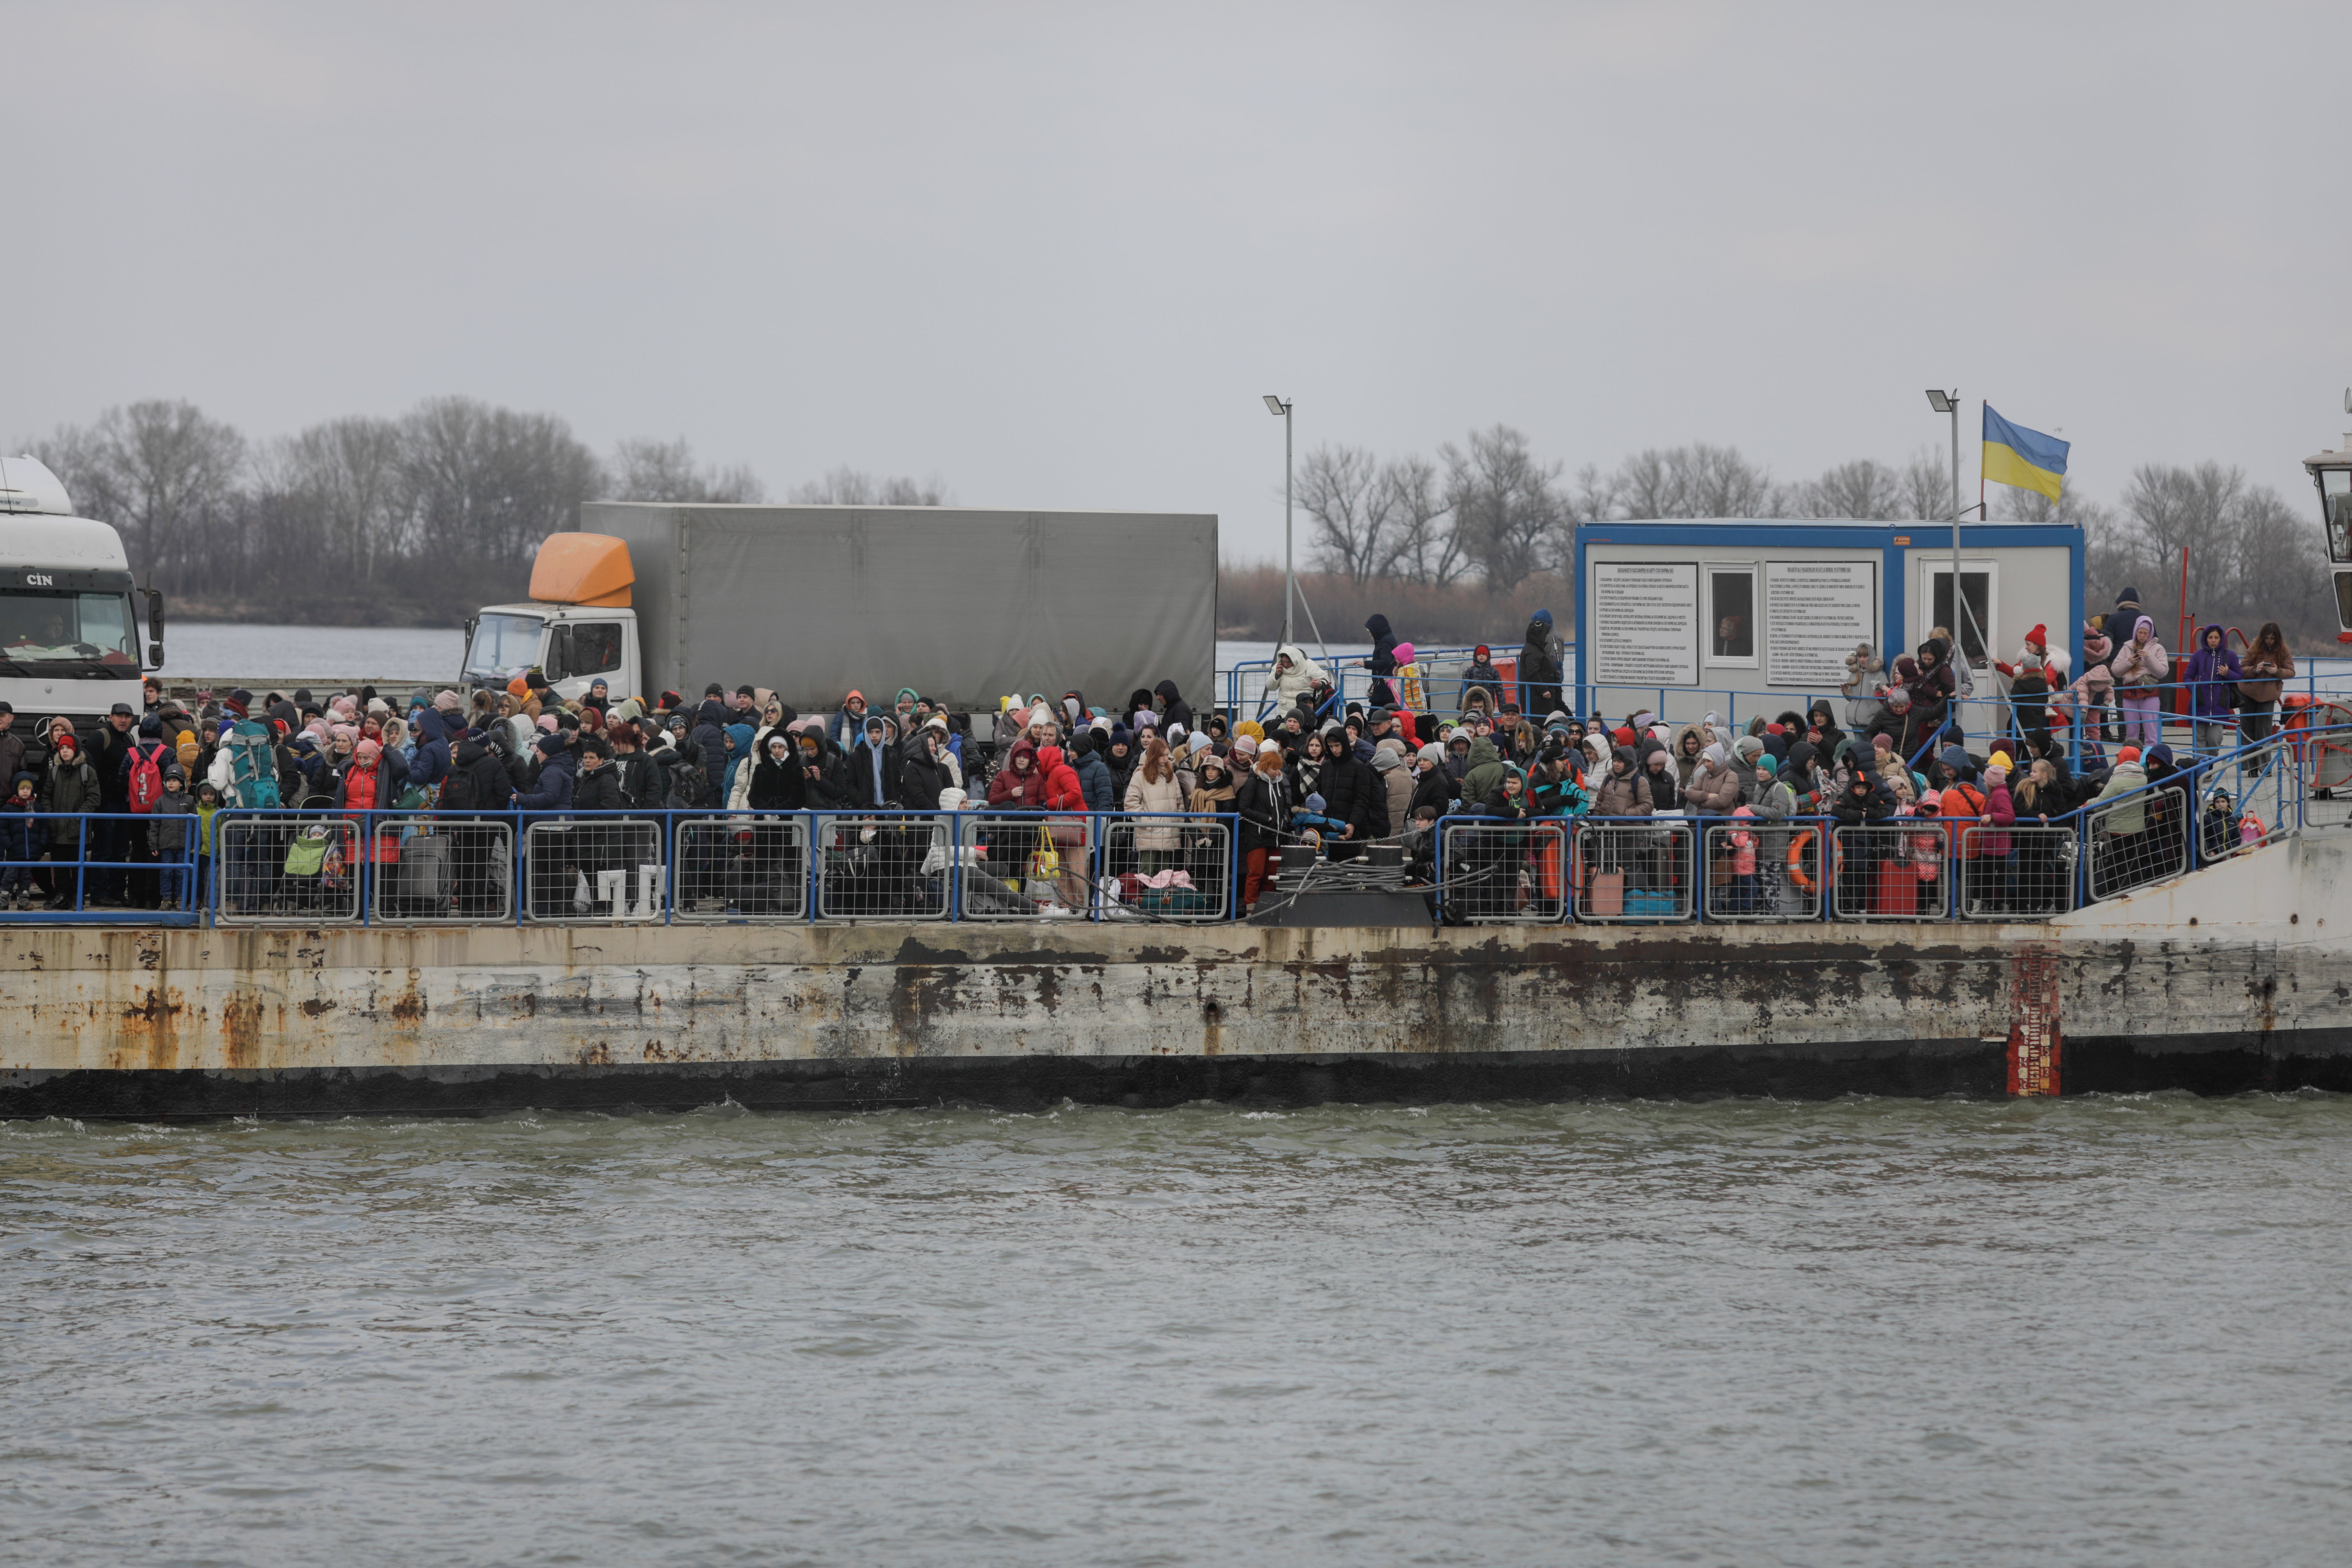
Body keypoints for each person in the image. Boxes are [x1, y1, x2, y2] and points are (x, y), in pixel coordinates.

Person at [2110, 616, 2169, 749]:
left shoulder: (2158, 649)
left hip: (2150, 692)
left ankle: (2151, 762)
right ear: (2136, 632)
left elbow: (2163, 672)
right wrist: (2129, 661)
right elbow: (2116, 671)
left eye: (2146, 633)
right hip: (2130, 691)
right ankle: (2131, 759)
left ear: (2151, 634)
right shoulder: (2127, 648)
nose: (2142, 636)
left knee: (2151, 732)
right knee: (2131, 732)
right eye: (2140, 632)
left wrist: (2148, 657)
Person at [2181, 624, 2241, 756]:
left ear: (2222, 639)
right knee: (2199, 741)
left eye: (2216, 638)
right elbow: (2188, 677)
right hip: (2199, 704)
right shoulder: (2198, 655)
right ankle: (2201, 771)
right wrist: (2194, 690)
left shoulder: (2230, 655)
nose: (2213, 640)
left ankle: (2210, 766)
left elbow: (2239, 676)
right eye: (2210, 637)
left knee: (2215, 740)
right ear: (2206, 639)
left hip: (2220, 706)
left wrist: (2227, 673)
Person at [2236, 622, 2294, 743]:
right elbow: (2241, 669)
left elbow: (2291, 672)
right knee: (2247, 732)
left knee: (2264, 733)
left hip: (2268, 697)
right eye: (2267, 638)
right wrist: (2255, 670)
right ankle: (2247, 762)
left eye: (2273, 639)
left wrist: (2277, 671)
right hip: (2249, 694)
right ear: (2262, 638)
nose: (2269, 641)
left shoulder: (2284, 650)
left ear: (2277, 639)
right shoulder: (2254, 648)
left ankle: (2263, 762)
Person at [1518, 610, 1562, 717]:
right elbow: (1533, 671)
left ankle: (1571, 724)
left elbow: (1556, 659)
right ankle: (1572, 724)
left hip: (1549, 684)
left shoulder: (1545, 643)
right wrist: (1544, 690)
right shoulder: (1534, 650)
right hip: (1541, 692)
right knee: (1558, 708)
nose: (1547, 636)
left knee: (1559, 706)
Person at [1458, 646, 1505, 715]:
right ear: (1476, 656)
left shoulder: (1493, 671)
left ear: (1488, 656)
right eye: (1479, 655)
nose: (1481, 656)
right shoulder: (1471, 671)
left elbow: (1500, 690)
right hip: (1474, 703)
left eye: (1484, 655)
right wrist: (1461, 704)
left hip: (1489, 703)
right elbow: (1464, 689)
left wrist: (1503, 708)